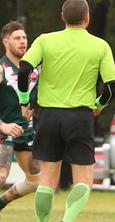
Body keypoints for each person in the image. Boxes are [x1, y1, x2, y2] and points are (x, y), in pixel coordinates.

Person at [17, 0, 115, 222]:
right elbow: (112, 87)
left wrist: (25, 102)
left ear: (62, 17)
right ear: (87, 18)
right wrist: (99, 105)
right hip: (80, 116)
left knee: (47, 179)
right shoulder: (100, 46)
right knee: (83, 179)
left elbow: (24, 70)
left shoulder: (45, 40)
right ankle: (68, 220)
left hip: (48, 115)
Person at [0, 21, 40, 211]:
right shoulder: (2, 69)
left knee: (35, 181)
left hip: (25, 131)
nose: (23, 41)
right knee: (0, 177)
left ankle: (1, 203)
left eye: (24, 38)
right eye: (17, 38)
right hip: (3, 131)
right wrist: (3, 126)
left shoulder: (33, 70)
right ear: (5, 42)